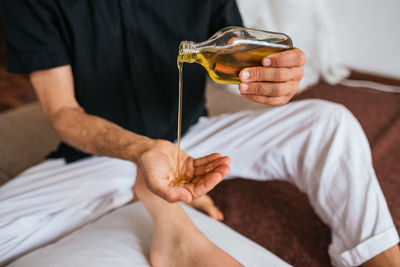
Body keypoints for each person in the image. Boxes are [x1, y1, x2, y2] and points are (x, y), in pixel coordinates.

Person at [0, 0, 399, 266]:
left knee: (328, 122)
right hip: (99, 155)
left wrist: (271, 78)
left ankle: (379, 255)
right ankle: (154, 200)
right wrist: (141, 151)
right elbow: (62, 112)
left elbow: (238, 50)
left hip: (195, 137)